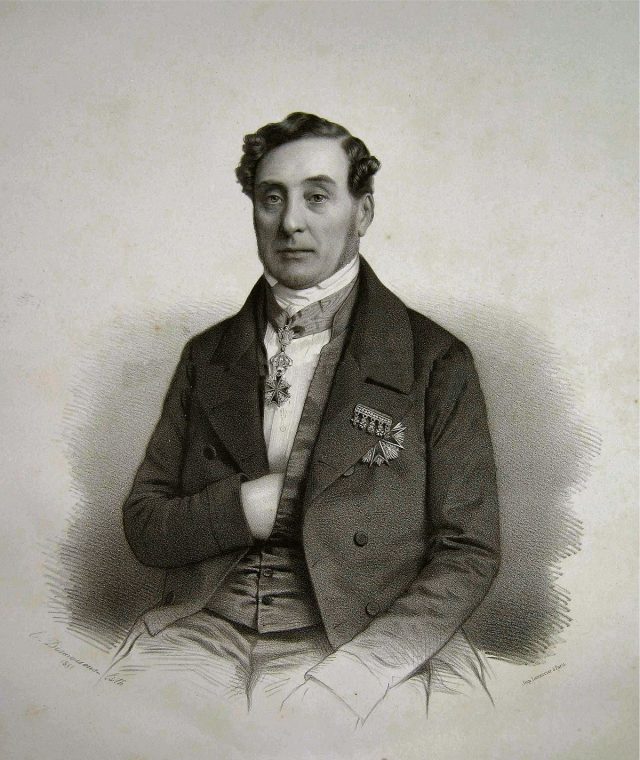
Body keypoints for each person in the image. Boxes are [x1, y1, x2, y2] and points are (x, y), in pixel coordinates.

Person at [106, 112, 500, 727]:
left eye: (317, 197)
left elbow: (468, 550)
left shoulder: (434, 361)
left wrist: (362, 670)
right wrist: (243, 509)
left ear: (363, 212)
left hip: (355, 639)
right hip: (205, 625)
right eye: (272, 198)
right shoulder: (206, 356)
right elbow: (145, 526)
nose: (290, 222)